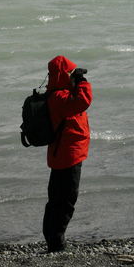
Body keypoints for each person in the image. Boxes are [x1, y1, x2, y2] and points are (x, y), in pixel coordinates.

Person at [42, 55, 92, 252]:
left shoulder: (57, 94)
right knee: (64, 203)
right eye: (71, 73)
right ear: (64, 75)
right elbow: (84, 100)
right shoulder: (59, 98)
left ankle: (53, 242)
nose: (74, 77)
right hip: (67, 157)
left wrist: (75, 81)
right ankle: (57, 245)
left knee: (56, 201)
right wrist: (82, 81)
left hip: (62, 156)